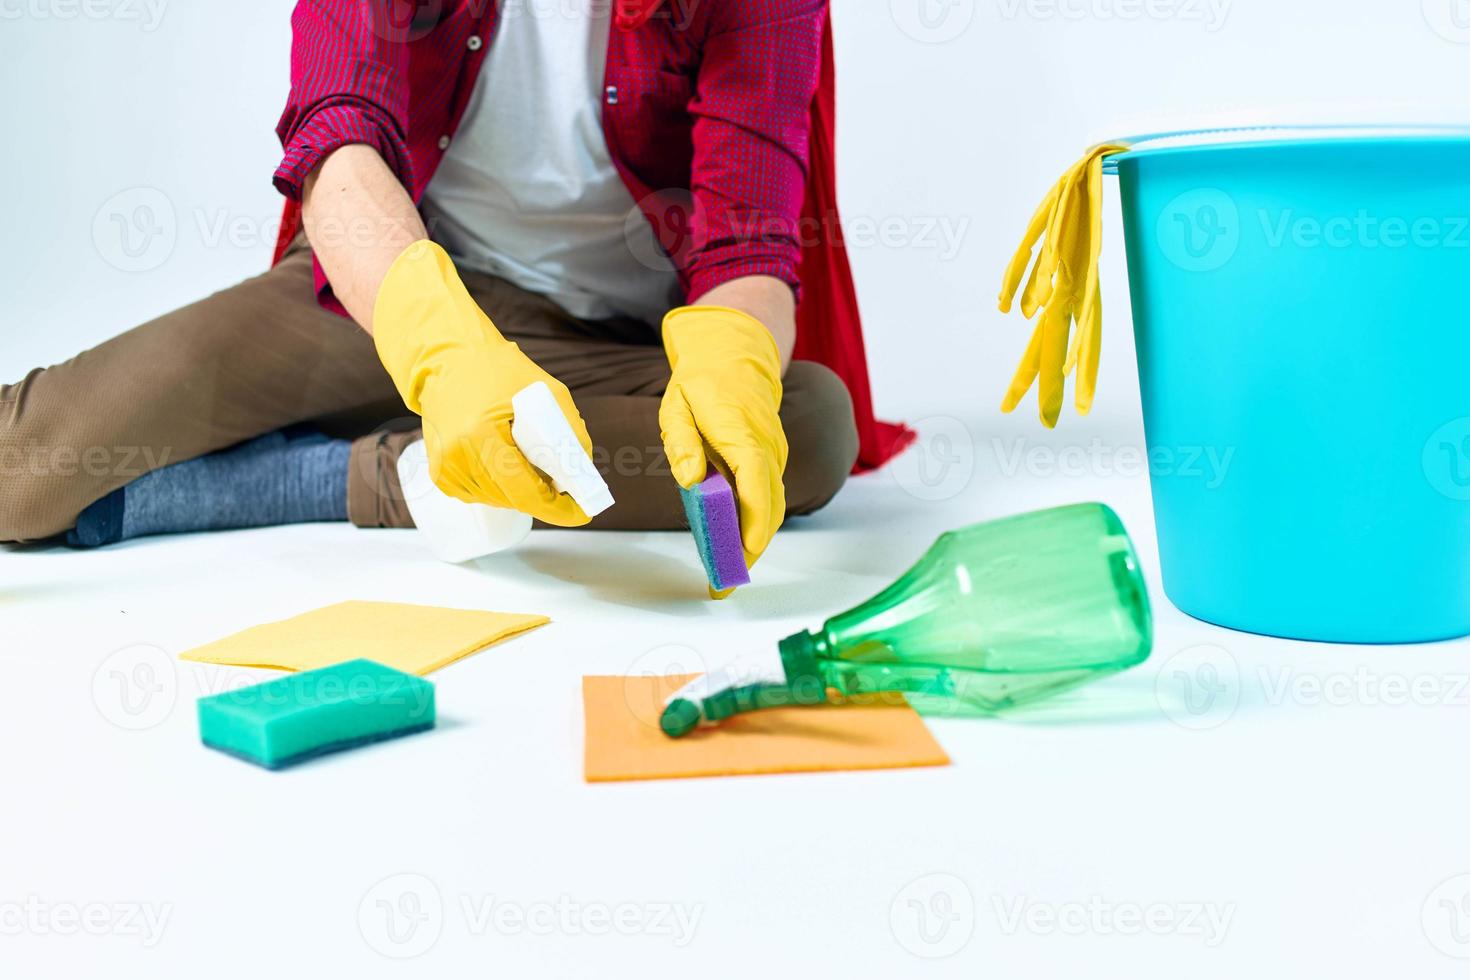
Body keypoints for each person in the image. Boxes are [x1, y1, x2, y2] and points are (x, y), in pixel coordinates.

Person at [0, 0, 911, 569]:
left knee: (805, 430)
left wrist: (732, 356)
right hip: (385, 292)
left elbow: (747, 240)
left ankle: (339, 474)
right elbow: (337, 140)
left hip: (615, 348)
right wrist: (441, 350)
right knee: (27, 469)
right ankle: (441, 432)